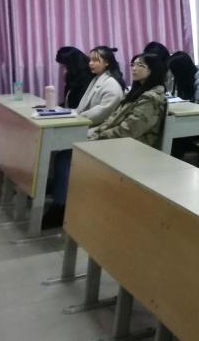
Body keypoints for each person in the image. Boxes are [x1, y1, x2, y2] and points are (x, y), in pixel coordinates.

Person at [43, 53, 167, 229]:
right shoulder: (136, 92)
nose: (134, 68)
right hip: (116, 140)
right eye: (133, 64)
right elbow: (112, 120)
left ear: (153, 70)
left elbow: (128, 131)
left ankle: (61, 207)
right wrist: (97, 133)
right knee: (64, 150)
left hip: (131, 147)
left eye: (140, 65)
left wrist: (97, 136)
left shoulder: (151, 98)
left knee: (67, 155)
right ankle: (61, 198)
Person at [74, 46, 125, 126]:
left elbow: (101, 113)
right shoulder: (96, 78)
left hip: (101, 127)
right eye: (90, 60)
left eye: (95, 60)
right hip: (88, 122)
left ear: (106, 62)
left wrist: (77, 118)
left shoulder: (112, 84)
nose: (90, 63)